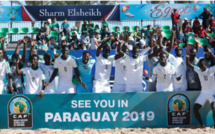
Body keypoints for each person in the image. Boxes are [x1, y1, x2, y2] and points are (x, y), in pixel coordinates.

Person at [186, 50, 215, 127]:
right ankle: (202, 124)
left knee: (214, 107)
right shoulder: (198, 70)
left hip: (212, 93)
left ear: (205, 64)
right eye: (200, 66)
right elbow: (188, 64)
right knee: (195, 109)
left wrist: (211, 53)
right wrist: (187, 55)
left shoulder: (211, 69)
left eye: (202, 66)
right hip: (203, 93)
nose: (201, 68)